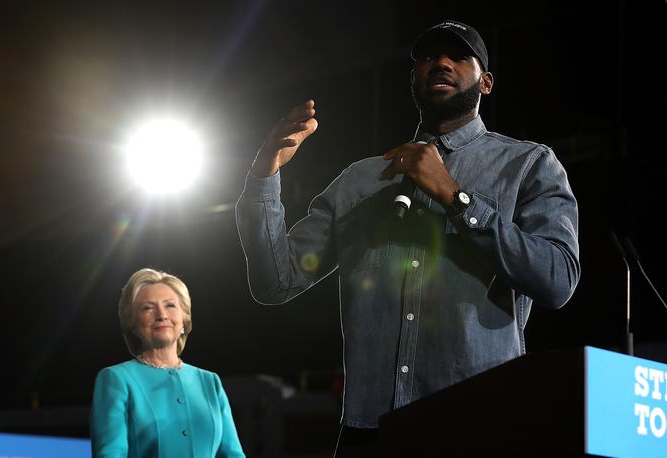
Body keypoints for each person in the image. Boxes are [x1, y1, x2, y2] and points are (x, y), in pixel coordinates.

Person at [235, 19, 580, 457]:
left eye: (458, 55)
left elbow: (557, 280)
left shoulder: (528, 165)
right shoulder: (361, 181)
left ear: (486, 81)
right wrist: (264, 176)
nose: (440, 63)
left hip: (479, 425)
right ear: (412, 79)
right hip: (370, 432)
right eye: (428, 57)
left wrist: (456, 197)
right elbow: (275, 282)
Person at [90, 268, 245, 458]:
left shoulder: (210, 382)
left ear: (184, 319)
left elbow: (233, 454)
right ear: (132, 323)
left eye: (170, 305)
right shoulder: (116, 379)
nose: (161, 315)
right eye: (147, 308)